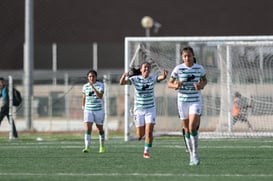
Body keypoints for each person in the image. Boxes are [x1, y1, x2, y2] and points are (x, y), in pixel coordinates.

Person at [168, 46, 207, 166]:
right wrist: (176, 85)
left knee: (192, 127)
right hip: (182, 101)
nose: (187, 58)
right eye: (184, 56)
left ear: (193, 56)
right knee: (186, 129)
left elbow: (205, 80)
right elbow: (169, 83)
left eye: (189, 56)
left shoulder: (199, 68)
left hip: (195, 100)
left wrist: (201, 85)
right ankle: (191, 155)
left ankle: (195, 154)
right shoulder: (178, 69)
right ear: (182, 57)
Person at [120, 62, 168, 159]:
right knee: (139, 136)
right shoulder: (135, 79)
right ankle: (142, 132)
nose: (147, 69)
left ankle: (146, 152)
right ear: (141, 70)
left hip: (150, 109)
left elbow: (161, 78)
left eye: (148, 68)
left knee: (149, 132)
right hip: (139, 110)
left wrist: (164, 75)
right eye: (145, 67)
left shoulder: (152, 78)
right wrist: (123, 76)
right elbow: (122, 83)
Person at [82, 70, 105, 153]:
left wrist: (93, 87)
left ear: (96, 77)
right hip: (88, 110)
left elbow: (100, 96)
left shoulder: (100, 85)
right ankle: (87, 147)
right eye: (90, 76)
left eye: (93, 76)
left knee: (100, 129)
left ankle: (101, 146)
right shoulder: (85, 86)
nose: (91, 78)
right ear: (88, 77)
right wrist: (83, 106)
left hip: (98, 110)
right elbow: (84, 97)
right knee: (88, 128)